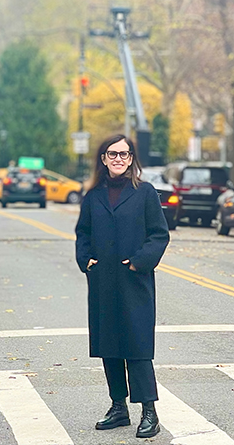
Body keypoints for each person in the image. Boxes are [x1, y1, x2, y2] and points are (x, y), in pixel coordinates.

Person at [75, 133, 170, 438]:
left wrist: (140, 261)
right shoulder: (93, 196)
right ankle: (118, 407)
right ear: (103, 159)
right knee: (109, 344)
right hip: (103, 280)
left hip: (134, 280)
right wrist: (85, 258)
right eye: (113, 154)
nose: (119, 159)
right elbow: (83, 233)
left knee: (138, 346)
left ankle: (149, 412)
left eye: (125, 154)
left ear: (132, 159)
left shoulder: (145, 193)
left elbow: (159, 234)